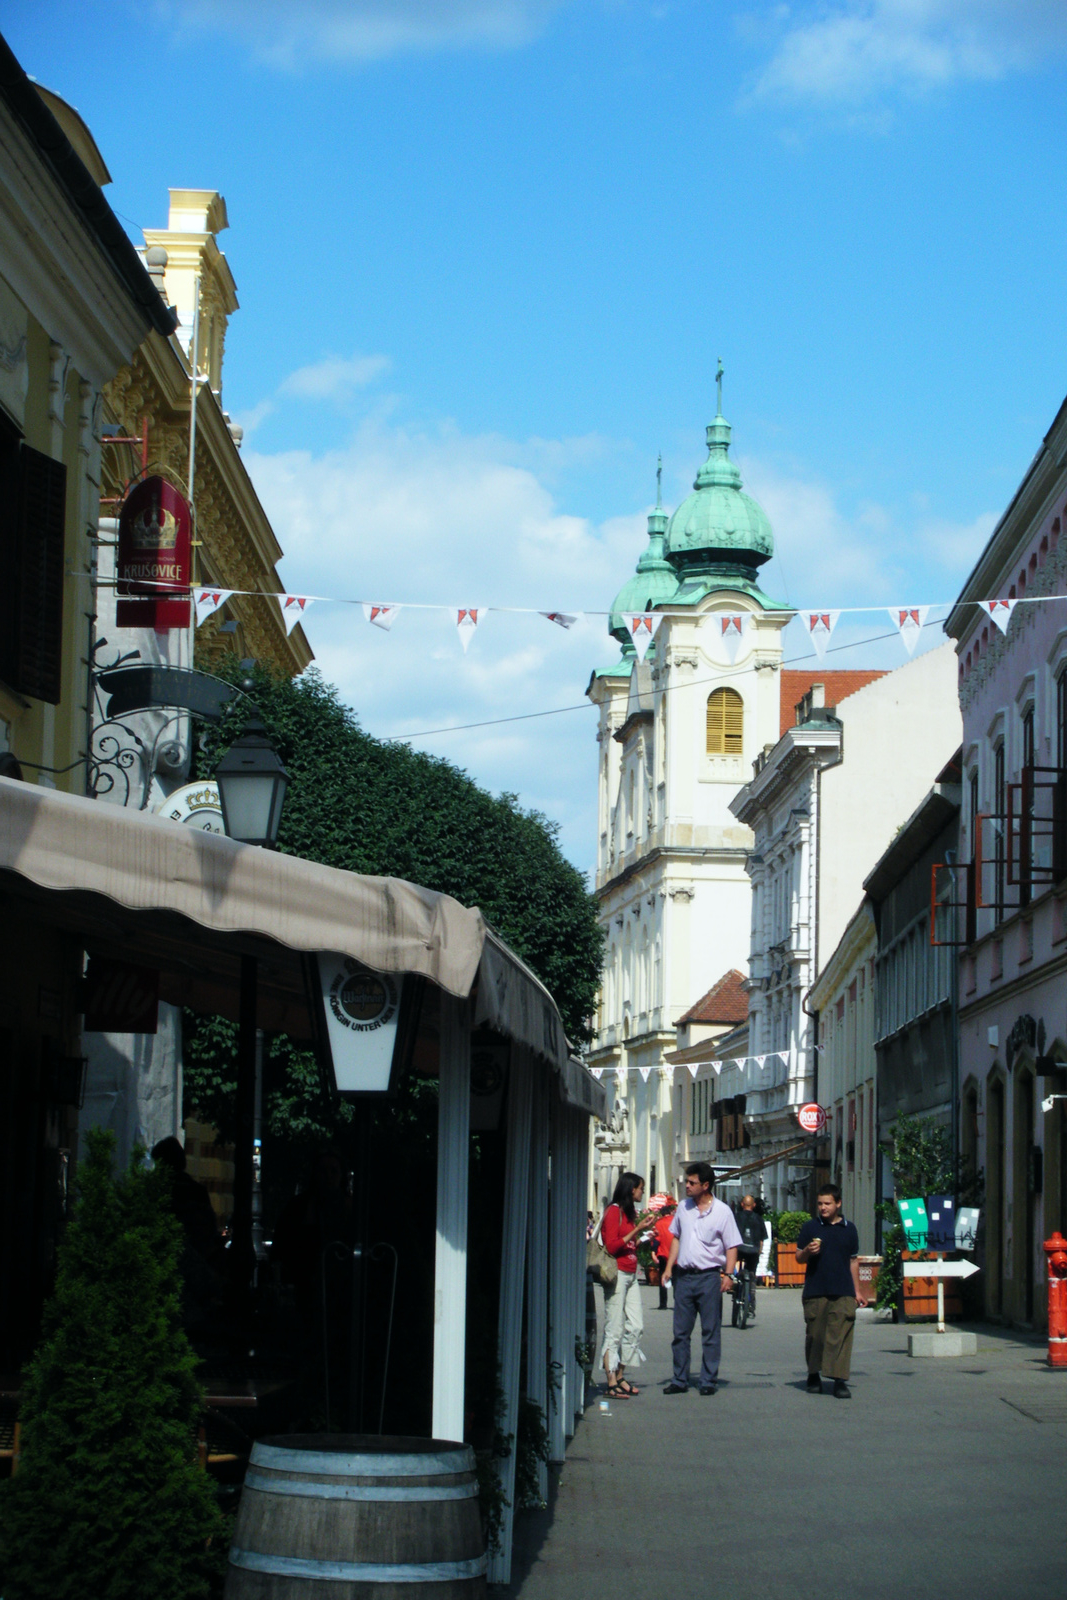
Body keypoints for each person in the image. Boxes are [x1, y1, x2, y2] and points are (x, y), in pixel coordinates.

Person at [662, 1162, 741, 1395]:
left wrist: (728, 1274)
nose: (687, 1186)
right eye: (687, 1181)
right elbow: (676, 1238)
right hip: (684, 1277)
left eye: (691, 1182)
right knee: (680, 1333)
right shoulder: (683, 1208)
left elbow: (731, 1246)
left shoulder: (722, 1211)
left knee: (710, 1331)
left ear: (705, 1185)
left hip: (709, 1277)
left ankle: (708, 1380)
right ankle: (679, 1379)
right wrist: (669, 1267)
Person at [795, 1182, 867, 1399]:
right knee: (815, 1336)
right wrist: (808, 1250)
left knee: (841, 1335)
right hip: (816, 1289)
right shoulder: (810, 1227)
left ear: (838, 1203)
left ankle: (839, 1380)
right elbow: (798, 1258)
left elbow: (853, 1261)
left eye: (827, 1203)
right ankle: (814, 1374)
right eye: (819, 1204)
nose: (823, 1208)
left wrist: (857, 1291)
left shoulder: (849, 1228)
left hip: (843, 1290)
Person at [599, 1172, 650, 1398]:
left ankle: (620, 1374)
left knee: (636, 1326)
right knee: (614, 1329)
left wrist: (641, 1237)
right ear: (631, 1189)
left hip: (630, 1273)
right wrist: (636, 1231)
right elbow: (611, 1246)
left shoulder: (629, 1214)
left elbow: (626, 1243)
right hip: (617, 1273)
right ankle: (611, 1381)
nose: (642, 1192)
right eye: (640, 1188)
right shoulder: (613, 1211)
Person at [734, 1194, 767, 1316]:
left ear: (742, 1204)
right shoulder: (758, 1219)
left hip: (739, 1249)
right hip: (753, 1250)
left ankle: (735, 1280)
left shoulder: (736, 1217)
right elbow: (762, 1239)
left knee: (734, 1264)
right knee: (752, 1274)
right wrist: (759, 1251)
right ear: (754, 1205)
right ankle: (751, 1303)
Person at [653, 1202, 676, 1310]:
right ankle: (678, 1302)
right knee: (677, 1280)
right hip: (676, 1254)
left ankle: (663, 1303)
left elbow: (656, 1240)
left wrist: (653, 1252)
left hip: (663, 1254)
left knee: (663, 1278)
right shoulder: (675, 1221)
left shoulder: (659, 1223)